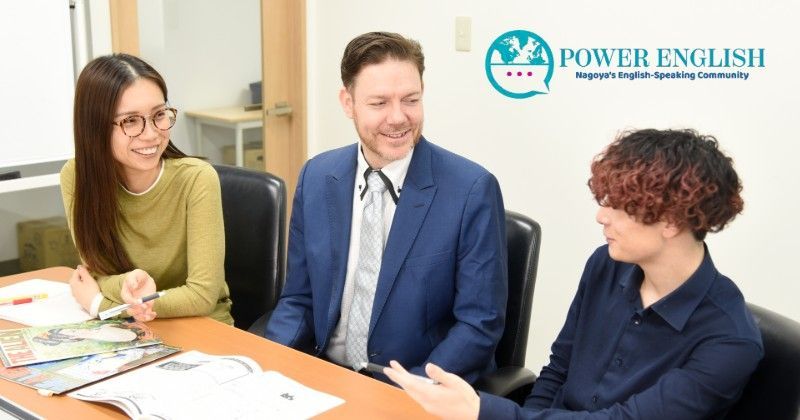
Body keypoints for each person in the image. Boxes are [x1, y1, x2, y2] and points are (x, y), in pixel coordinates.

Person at [384, 129, 764, 419]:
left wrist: (484, 411)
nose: (601, 216)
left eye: (620, 207)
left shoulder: (729, 340)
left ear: (672, 221)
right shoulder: (606, 265)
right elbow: (558, 371)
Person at [265, 32, 508, 384]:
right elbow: (299, 299)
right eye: (379, 103)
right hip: (327, 376)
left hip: (416, 386)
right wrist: (271, 365)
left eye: (411, 100)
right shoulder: (317, 177)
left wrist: (405, 391)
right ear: (348, 103)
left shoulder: (471, 190)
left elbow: (478, 326)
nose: (398, 118)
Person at [61, 54, 233, 325]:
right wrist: (124, 285)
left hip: (201, 325)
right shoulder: (77, 176)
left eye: (159, 115)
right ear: (95, 127)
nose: (151, 134)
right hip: (127, 330)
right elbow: (95, 273)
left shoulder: (197, 179)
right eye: (130, 120)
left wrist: (100, 304)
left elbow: (202, 296)